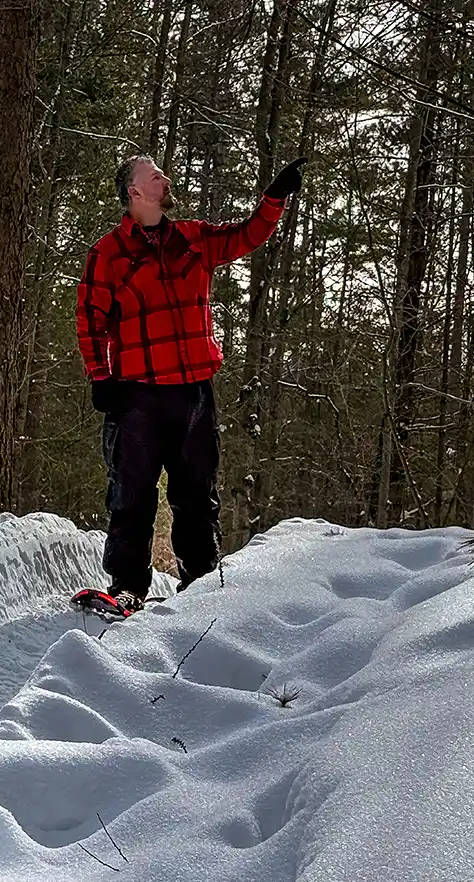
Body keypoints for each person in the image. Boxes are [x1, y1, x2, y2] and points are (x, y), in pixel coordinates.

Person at [76, 154, 308, 610]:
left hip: (194, 396)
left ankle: (200, 591)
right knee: (132, 497)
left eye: (162, 172)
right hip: (136, 397)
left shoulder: (193, 239)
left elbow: (247, 235)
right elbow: (90, 321)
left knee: (197, 497)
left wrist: (274, 198)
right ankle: (127, 588)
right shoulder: (108, 254)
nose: (164, 178)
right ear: (134, 193)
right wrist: (99, 377)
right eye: (153, 175)